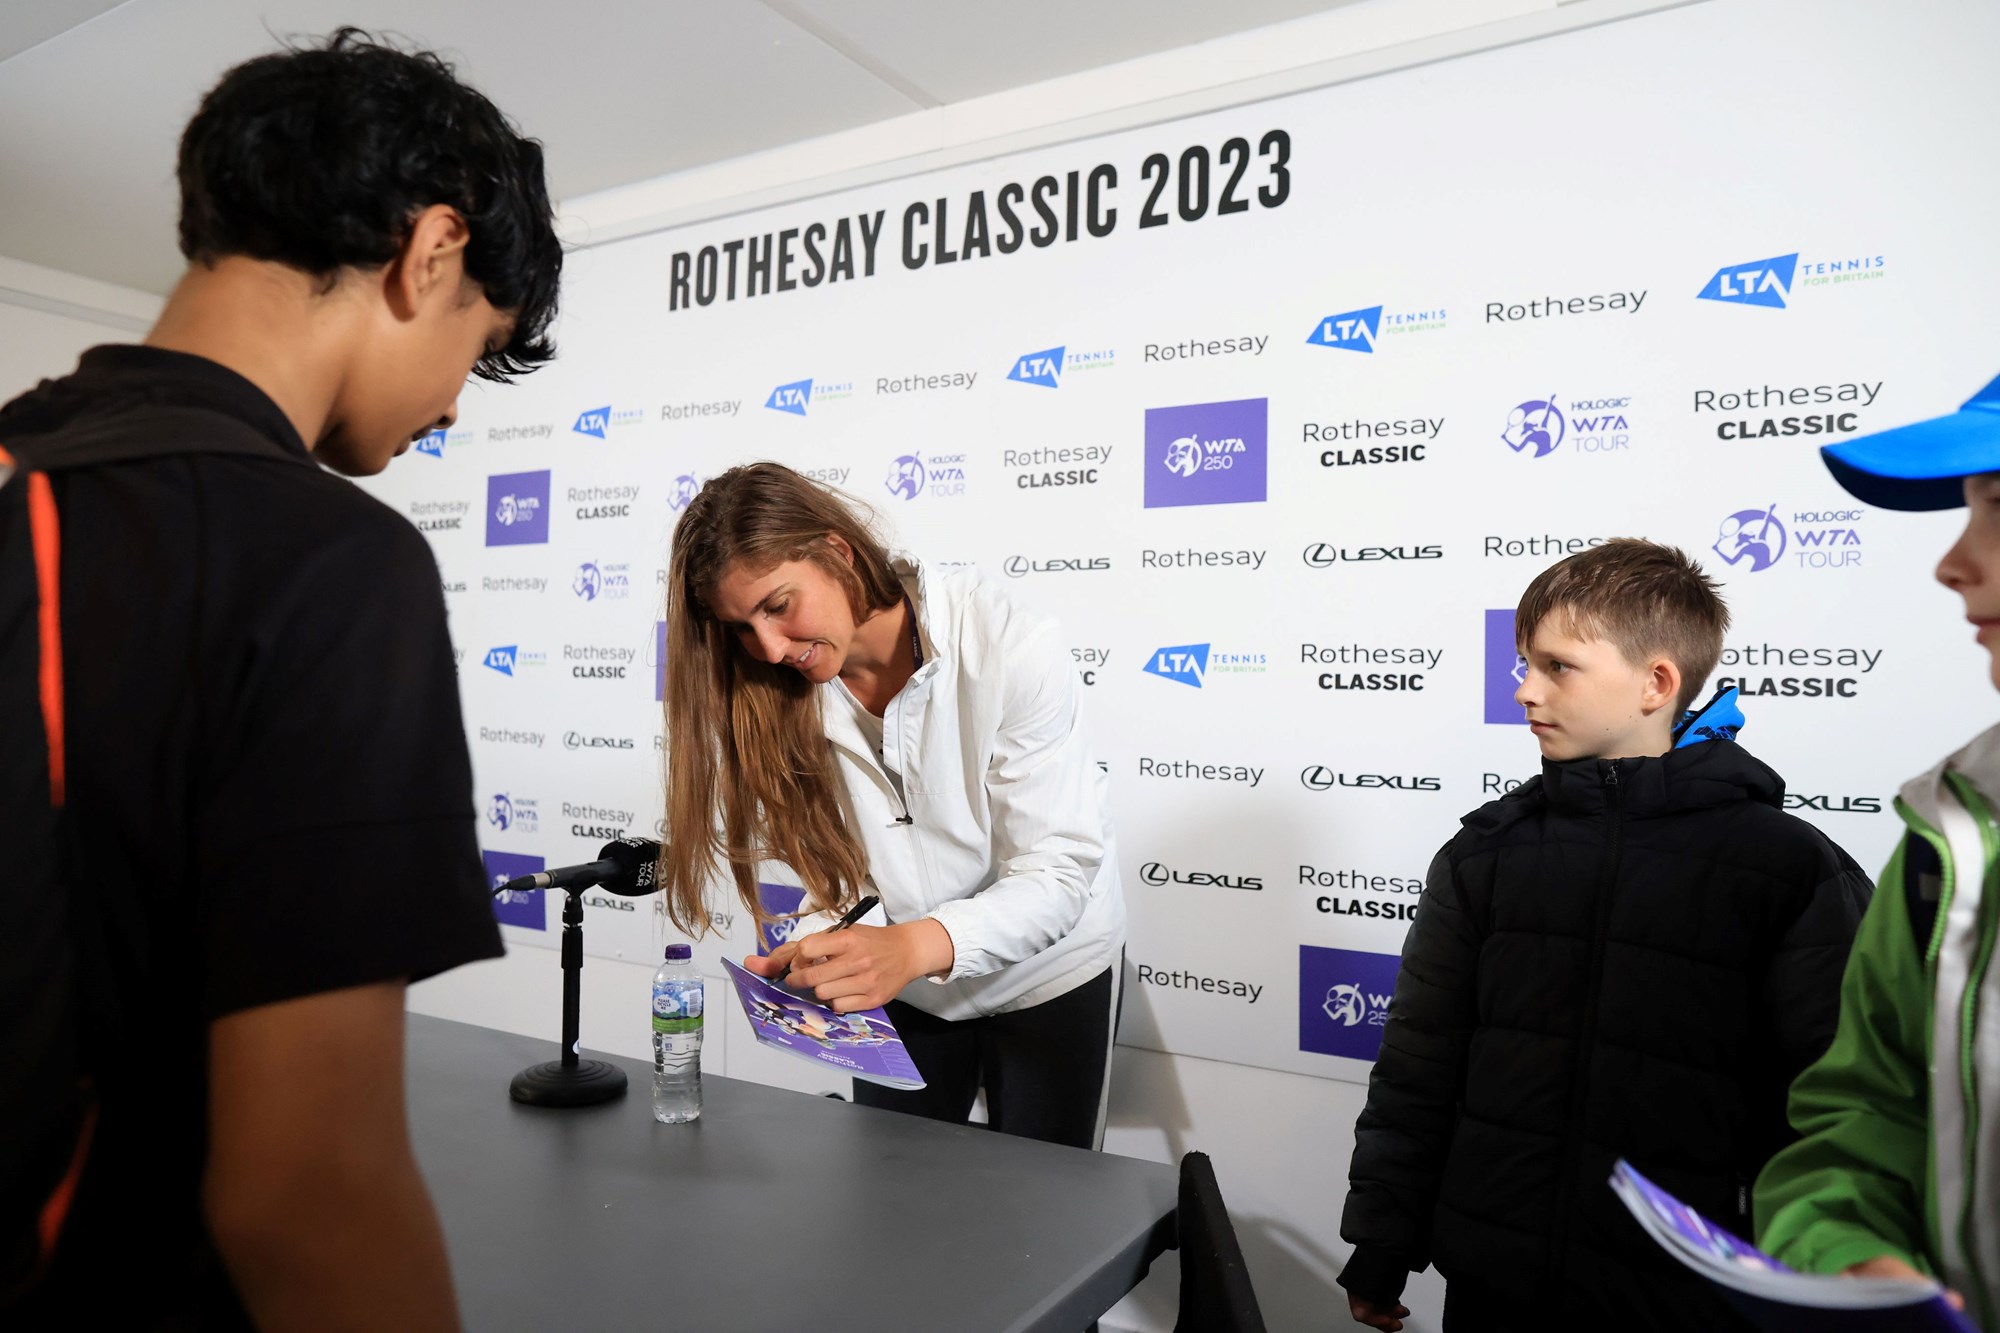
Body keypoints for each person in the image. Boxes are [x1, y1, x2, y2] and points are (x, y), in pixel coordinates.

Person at [0, 30, 561, 1330]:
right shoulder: (332, 563)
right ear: (430, 253)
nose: (455, 410)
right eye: (476, 352)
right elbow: (304, 1193)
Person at [1337, 539, 1871, 1332]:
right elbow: (1418, 1071)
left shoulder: (1790, 870)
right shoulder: (1483, 857)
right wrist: (1383, 1239)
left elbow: (1831, 1115)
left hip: (1693, 1300)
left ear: (1658, 681)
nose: (1524, 690)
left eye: (1557, 666)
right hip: (1495, 1286)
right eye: (1525, 663)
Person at [658, 462, 1126, 1149]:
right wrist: (819, 947)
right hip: (901, 990)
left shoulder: (1011, 643)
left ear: (837, 553)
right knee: (894, 1219)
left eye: (779, 605)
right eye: (742, 626)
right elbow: (838, 866)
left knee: (1046, 1226)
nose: (770, 648)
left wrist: (911, 945)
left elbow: (1057, 872)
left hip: (1047, 977)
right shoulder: (772, 688)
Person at [1755, 373, 2000, 1330]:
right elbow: (1863, 1120)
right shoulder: (1950, 837)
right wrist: (1843, 1250)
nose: (1954, 561)